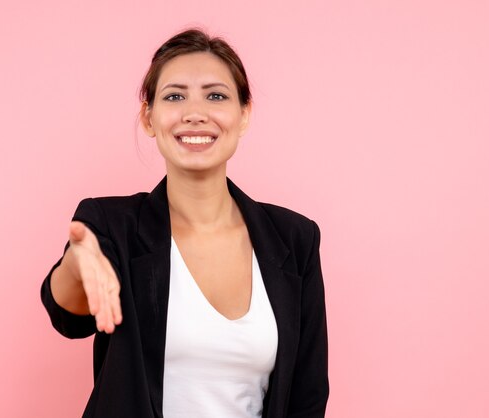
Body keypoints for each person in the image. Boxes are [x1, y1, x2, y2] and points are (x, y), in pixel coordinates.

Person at [41, 28, 329, 418]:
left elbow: (307, 397)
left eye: (216, 96)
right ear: (149, 116)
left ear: (243, 115)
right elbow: (68, 316)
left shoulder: (295, 239)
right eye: (175, 96)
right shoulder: (111, 224)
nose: (195, 113)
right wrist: (77, 264)